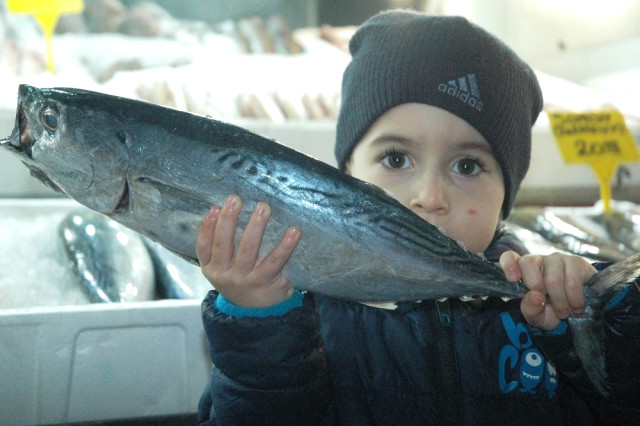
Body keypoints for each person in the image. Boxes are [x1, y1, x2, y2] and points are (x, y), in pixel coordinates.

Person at [195, 10, 640, 425]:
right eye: (395, 159)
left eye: (466, 166)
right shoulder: (309, 312)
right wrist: (261, 324)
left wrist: (593, 324)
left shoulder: (534, 310)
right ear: (346, 175)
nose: (429, 197)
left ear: (507, 196)